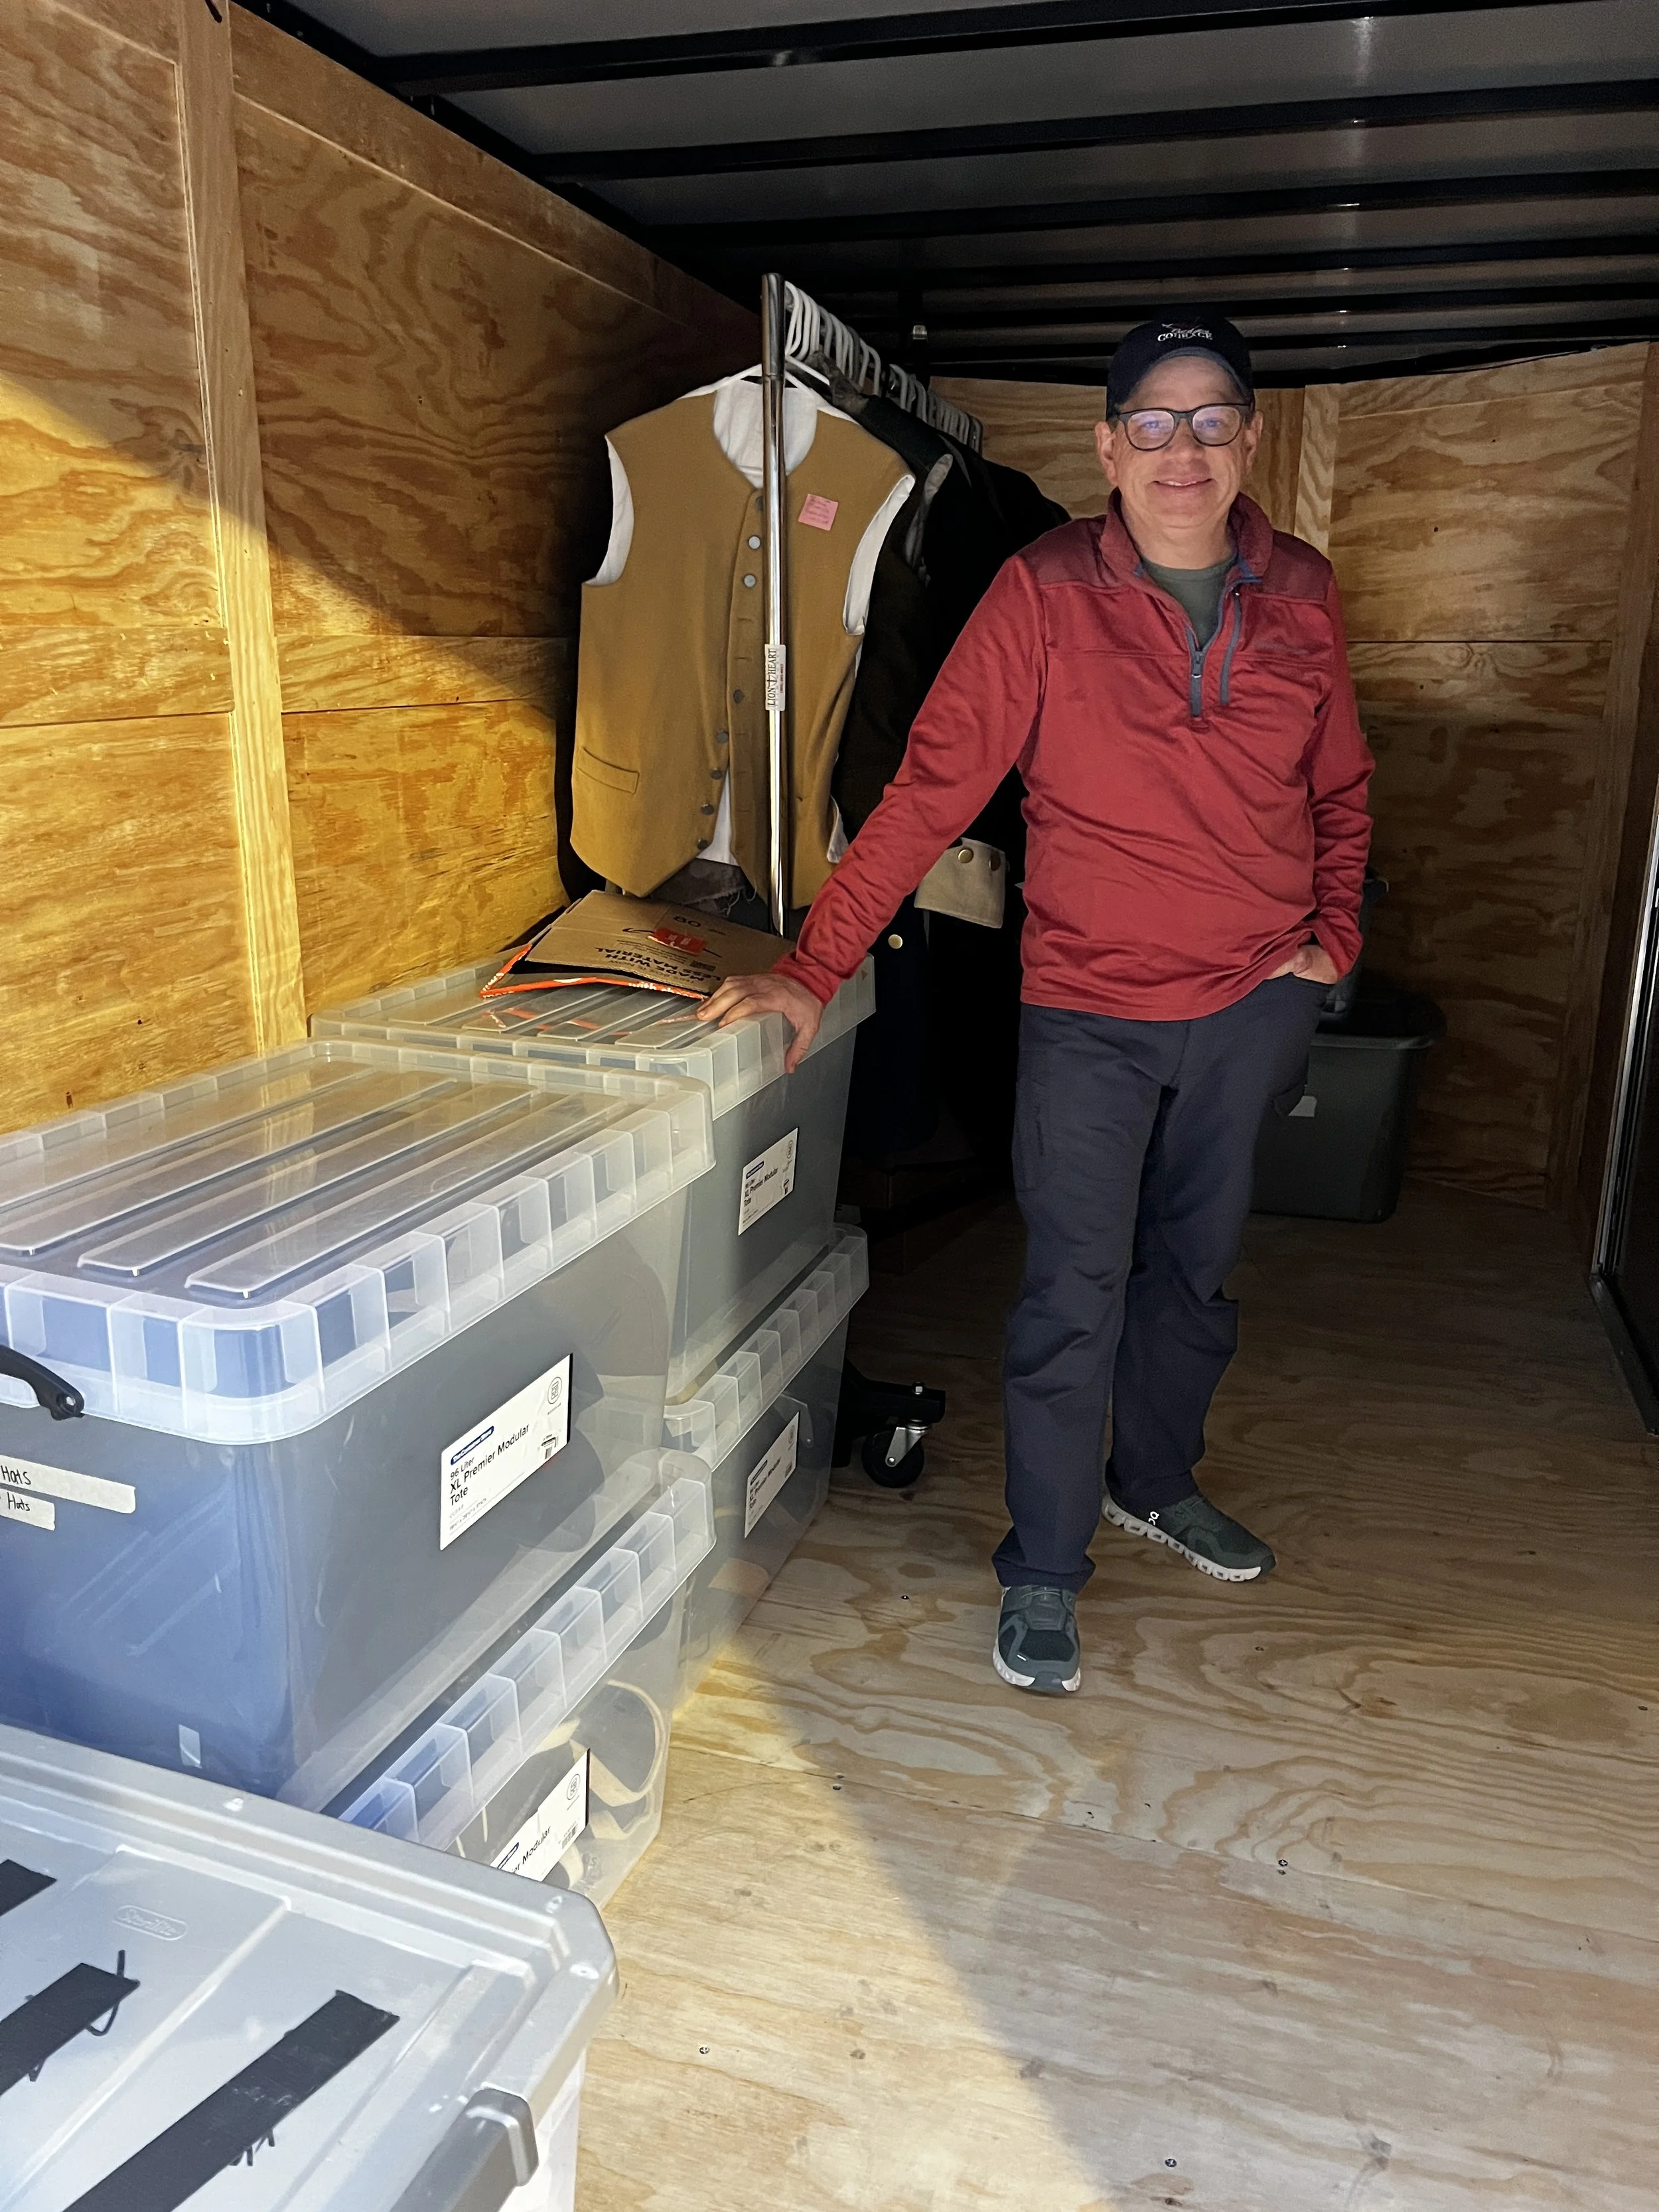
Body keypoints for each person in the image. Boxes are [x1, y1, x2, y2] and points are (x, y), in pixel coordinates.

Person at [697, 313, 1373, 1696]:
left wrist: (1332, 940)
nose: (1178, 449)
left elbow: (1339, 788)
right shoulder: (1039, 592)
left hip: (1251, 1006)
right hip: (1088, 1016)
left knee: (1191, 1275)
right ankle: (1046, 1567)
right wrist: (813, 965)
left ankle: (1153, 1481)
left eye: (1207, 421)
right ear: (1104, 448)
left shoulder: (1300, 589)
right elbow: (924, 797)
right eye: (1149, 422)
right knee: (1073, 1289)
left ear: (1247, 441)